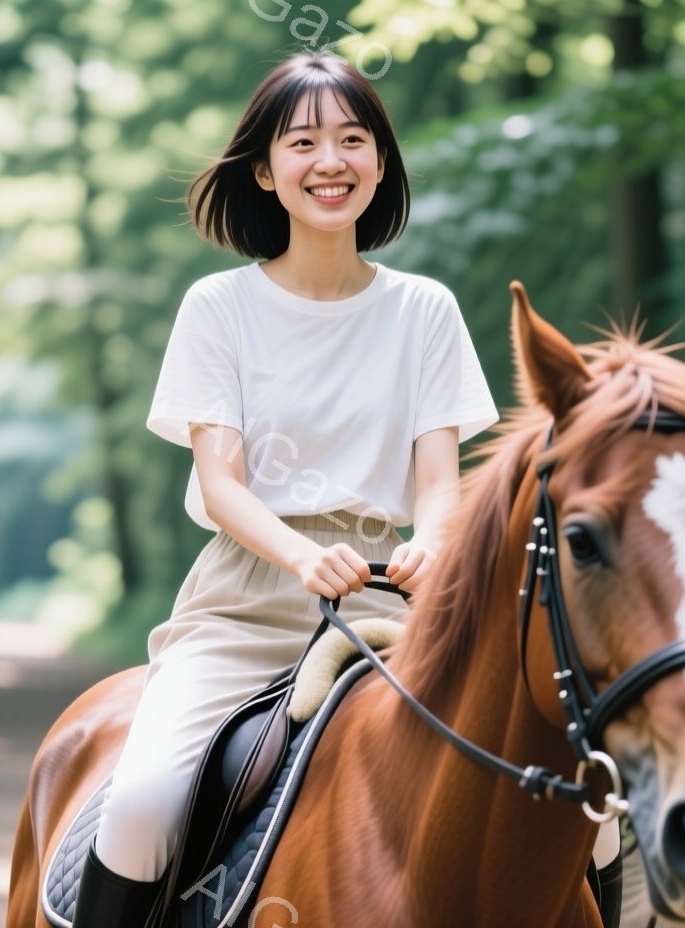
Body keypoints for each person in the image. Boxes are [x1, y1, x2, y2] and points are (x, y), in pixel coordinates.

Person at [72, 50, 499, 926]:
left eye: (353, 138)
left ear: (381, 162)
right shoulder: (217, 308)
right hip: (247, 607)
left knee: (580, 801)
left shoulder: (426, 311)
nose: (330, 161)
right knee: (144, 802)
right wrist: (306, 557)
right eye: (302, 143)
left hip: (400, 602)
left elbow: (440, 484)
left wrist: (431, 545)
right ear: (265, 171)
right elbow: (222, 485)